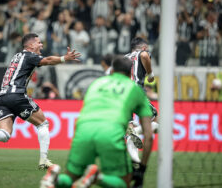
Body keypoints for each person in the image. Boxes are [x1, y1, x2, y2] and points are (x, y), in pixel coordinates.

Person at [40, 56, 153, 188]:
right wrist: (142, 168)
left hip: (83, 130)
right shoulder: (135, 89)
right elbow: (149, 135)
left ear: (112, 71)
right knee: (124, 182)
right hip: (110, 132)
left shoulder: (96, 83)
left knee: (71, 178)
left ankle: (55, 179)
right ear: (130, 73)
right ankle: (97, 177)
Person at [0, 33, 81, 169]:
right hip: (16, 95)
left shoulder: (16, 56)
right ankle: (43, 160)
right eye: (39, 42)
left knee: (5, 134)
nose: (41, 45)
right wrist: (65, 58)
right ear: (30, 45)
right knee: (43, 124)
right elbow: (47, 61)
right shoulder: (29, 56)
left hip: (1, 97)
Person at [124, 37, 159, 168]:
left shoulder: (123, 58)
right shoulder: (142, 53)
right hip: (136, 91)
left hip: (122, 93)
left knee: (130, 125)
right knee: (154, 117)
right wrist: (150, 75)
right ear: (143, 47)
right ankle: (138, 132)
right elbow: (144, 55)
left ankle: (134, 159)